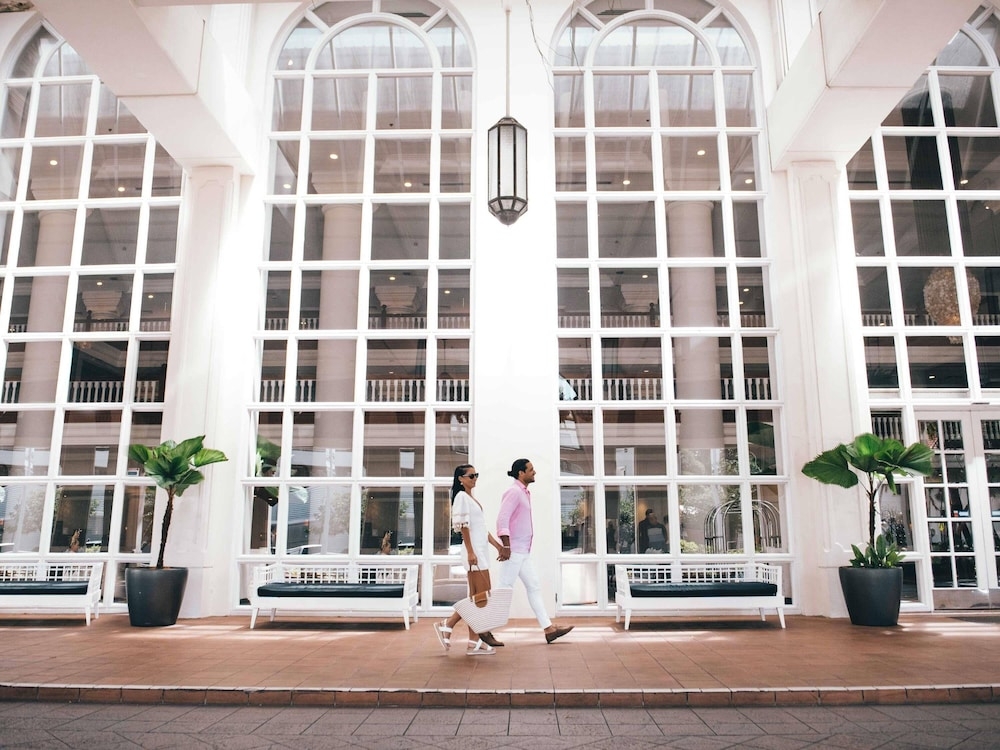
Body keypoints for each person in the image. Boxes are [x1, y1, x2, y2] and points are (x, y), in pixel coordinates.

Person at [496, 458, 574, 644]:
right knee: (503, 590)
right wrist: (506, 547)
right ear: (521, 473)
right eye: (531, 470)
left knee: (533, 587)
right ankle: (483, 630)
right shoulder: (514, 492)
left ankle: (548, 629)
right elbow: (502, 520)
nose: (534, 472)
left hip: (523, 552)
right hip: (514, 551)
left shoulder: (523, 492)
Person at [433, 464, 506, 656]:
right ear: (460, 479)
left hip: (480, 552)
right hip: (474, 554)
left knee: (478, 599)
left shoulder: (470, 498)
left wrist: (498, 546)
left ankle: (471, 641)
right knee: (480, 598)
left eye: (476, 475)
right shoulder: (461, 497)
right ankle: (449, 625)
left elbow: (481, 529)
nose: (475, 478)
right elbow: (464, 527)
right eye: (471, 476)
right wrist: (471, 552)